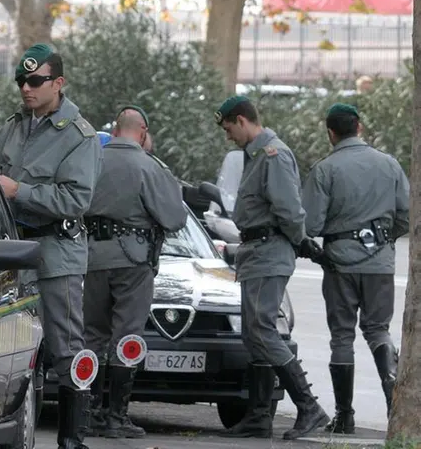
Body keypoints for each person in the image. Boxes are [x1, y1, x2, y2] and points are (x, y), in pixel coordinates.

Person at [0, 43, 103, 449]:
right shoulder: (16, 125)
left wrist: (20, 191)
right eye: (21, 81)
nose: (26, 89)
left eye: (35, 81)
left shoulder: (79, 137)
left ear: (59, 83)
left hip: (56, 255)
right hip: (11, 253)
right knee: (12, 344)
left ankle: (72, 439)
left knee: (66, 347)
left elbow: (75, 200)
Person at [213, 95, 328, 440]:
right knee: (253, 333)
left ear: (242, 120)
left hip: (269, 250)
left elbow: (289, 210)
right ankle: (259, 416)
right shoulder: (255, 156)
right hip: (256, 251)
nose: (228, 136)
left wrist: (300, 239)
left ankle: (309, 407)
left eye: (229, 128)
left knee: (262, 330)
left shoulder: (272, 155)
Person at [301, 103, 409, 433]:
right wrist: (384, 238)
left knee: (342, 337)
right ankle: (394, 403)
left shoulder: (324, 170)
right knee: (378, 330)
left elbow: (313, 223)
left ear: (330, 133)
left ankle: (344, 416)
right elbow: (405, 215)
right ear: (359, 127)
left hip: (339, 265)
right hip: (380, 264)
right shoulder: (389, 165)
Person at [83, 105, 187, 438]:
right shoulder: (148, 166)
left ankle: (91, 413)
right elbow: (174, 217)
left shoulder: (91, 160)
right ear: (142, 132)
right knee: (127, 335)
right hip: (133, 260)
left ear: (115, 130)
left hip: (92, 258)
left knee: (93, 335)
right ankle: (117, 417)